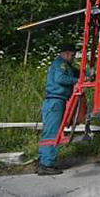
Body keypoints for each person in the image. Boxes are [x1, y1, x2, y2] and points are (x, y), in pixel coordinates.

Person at [37, 43, 80, 175]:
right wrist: (76, 81)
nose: (73, 57)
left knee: (49, 132)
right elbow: (60, 78)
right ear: (65, 53)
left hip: (55, 102)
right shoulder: (60, 64)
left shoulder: (65, 65)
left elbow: (74, 73)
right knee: (53, 134)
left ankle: (43, 162)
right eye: (72, 55)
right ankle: (47, 165)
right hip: (55, 101)